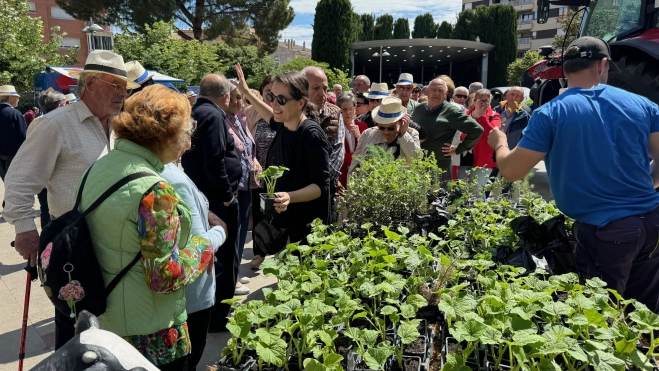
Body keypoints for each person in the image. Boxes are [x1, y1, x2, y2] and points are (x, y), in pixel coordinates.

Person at [489, 36, 659, 313]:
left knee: (601, 319)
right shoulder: (644, 106)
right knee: (646, 318)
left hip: (607, 233)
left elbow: (511, 170)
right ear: (603, 64)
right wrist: (642, 191)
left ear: (564, 70)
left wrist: (499, 143)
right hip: (652, 223)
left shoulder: (551, 113)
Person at [3, 50, 138, 348]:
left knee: (110, 326)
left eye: (124, 86)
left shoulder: (119, 125)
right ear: (89, 84)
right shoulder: (55, 124)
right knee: (77, 329)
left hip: (116, 246)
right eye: (114, 85)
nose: (122, 93)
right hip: (74, 247)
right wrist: (25, 228)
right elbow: (20, 180)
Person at [80, 84, 217, 370]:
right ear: (165, 136)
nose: (188, 143)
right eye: (185, 134)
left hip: (106, 320)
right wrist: (208, 243)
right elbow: (164, 277)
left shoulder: (99, 167)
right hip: (151, 333)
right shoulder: (156, 192)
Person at [231, 64, 331, 270]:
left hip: (308, 227)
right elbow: (269, 114)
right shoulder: (285, 124)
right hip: (289, 221)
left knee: (307, 279)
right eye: (271, 97)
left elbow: (320, 186)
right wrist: (246, 92)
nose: (275, 104)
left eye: (282, 100)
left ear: (301, 103)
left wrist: (289, 196)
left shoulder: (310, 135)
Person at [180, 74, 242, 333]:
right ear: (225, 95)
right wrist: (228, 195)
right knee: (226, 258)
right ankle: (219, 317)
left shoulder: (195, 112)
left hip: (201, 195)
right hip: (217, 198)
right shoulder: (215, 116)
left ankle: (211, 311)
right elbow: (215, 161)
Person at [160, 147, 227, 371]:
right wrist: (220, 232)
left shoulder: (167, 167)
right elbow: (200, 244)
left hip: (179, 292)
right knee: (190, 357)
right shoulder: (170, 175)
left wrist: (205, 213)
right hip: (191, 292)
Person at [412, 78, 483, 180]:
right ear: (427, 91)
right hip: (417, 165)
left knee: (438, 195)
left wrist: (458, 149)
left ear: (446, 93)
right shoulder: (419, 109)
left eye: (441, 90)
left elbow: (476, 129)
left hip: (440, 168)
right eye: (433, 90)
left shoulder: (451, 111)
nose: (437, 93)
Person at [225, 85, 257, 296]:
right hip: (233, 188)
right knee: (232, 235)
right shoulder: (222, 119)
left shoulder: (241, 118)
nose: (238, 102)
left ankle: (234, 273)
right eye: (234, 98)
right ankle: (230, 280)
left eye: (240, 98)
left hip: (247, 185)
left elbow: (247, 146)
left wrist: (254, 160)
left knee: (241, 231)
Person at [301, 66, 344, 220]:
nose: (322, 94)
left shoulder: (335, 113)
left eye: (325, 88)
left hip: (325, 190)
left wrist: (320, 180)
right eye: (315, 88)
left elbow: (339, 153)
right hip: (297, 191)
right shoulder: (294, 113)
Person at [26, 89, 68, 228]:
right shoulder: (58, 124)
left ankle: (47, 237)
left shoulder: (37, 122)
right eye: (65, 103)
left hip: (40, 177)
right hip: (52, 179)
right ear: (60, 105)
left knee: (45, 209)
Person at [349, 97, 421, 172]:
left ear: (400, 122)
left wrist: (403, 135)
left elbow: (415, 160)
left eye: (391, 128)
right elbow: (355, 163)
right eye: (382, 128)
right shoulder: (367, 134)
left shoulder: (412, 134)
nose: (386, 132)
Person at [245, 75, 279, 231]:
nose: (271, 96)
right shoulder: (250, 112)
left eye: (275, 91)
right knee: (259, 215)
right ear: (261, 92)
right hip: (258, 174)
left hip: (279, 175)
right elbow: (245, 140)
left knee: (278, 216)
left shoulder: (283, 112)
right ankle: (259, 252)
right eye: (267, 91)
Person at [462, 89, 501, 187]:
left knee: (478, 190)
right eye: (481, 101)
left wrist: (483, 118)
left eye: (486, 101)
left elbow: (493, 134)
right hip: (463, 157)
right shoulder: (465, 115)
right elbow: (460, 135)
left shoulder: (494, 116)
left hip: (484, 160)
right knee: (461, 189)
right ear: (474, 102)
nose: (484, 104)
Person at [336, 92, 368, 189]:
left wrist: (359, 137)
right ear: (339, 110)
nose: (348, 112)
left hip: (359, 175)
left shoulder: (363, 126)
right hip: (340, 177)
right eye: (345, 109)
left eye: (351, 109)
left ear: (355, 109)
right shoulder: (335, 128)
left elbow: (368, 152)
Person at [0, 85, 26, 190]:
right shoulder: (15, 113)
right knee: (15, 185)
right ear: (10, 98)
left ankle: (7, 203)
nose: (18, 99)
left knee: (6, 182)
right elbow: (23, 136)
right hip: (14, 156)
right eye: (17, 97)